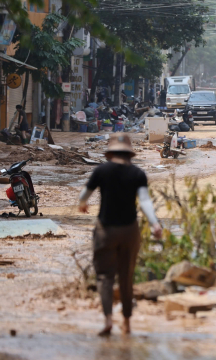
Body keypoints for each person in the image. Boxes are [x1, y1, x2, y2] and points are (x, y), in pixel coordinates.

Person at [77, 134, 162, 337]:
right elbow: (144, 202)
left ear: (110, 152)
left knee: (105, 276)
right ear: (129, 153)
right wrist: (154, 223)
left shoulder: (101, 171)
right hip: (130, 230)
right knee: (126, 276)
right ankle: (127, 323)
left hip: (106, 230)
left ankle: (108, 320)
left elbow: (84, 195)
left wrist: (82, 204)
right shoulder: (138, 173)